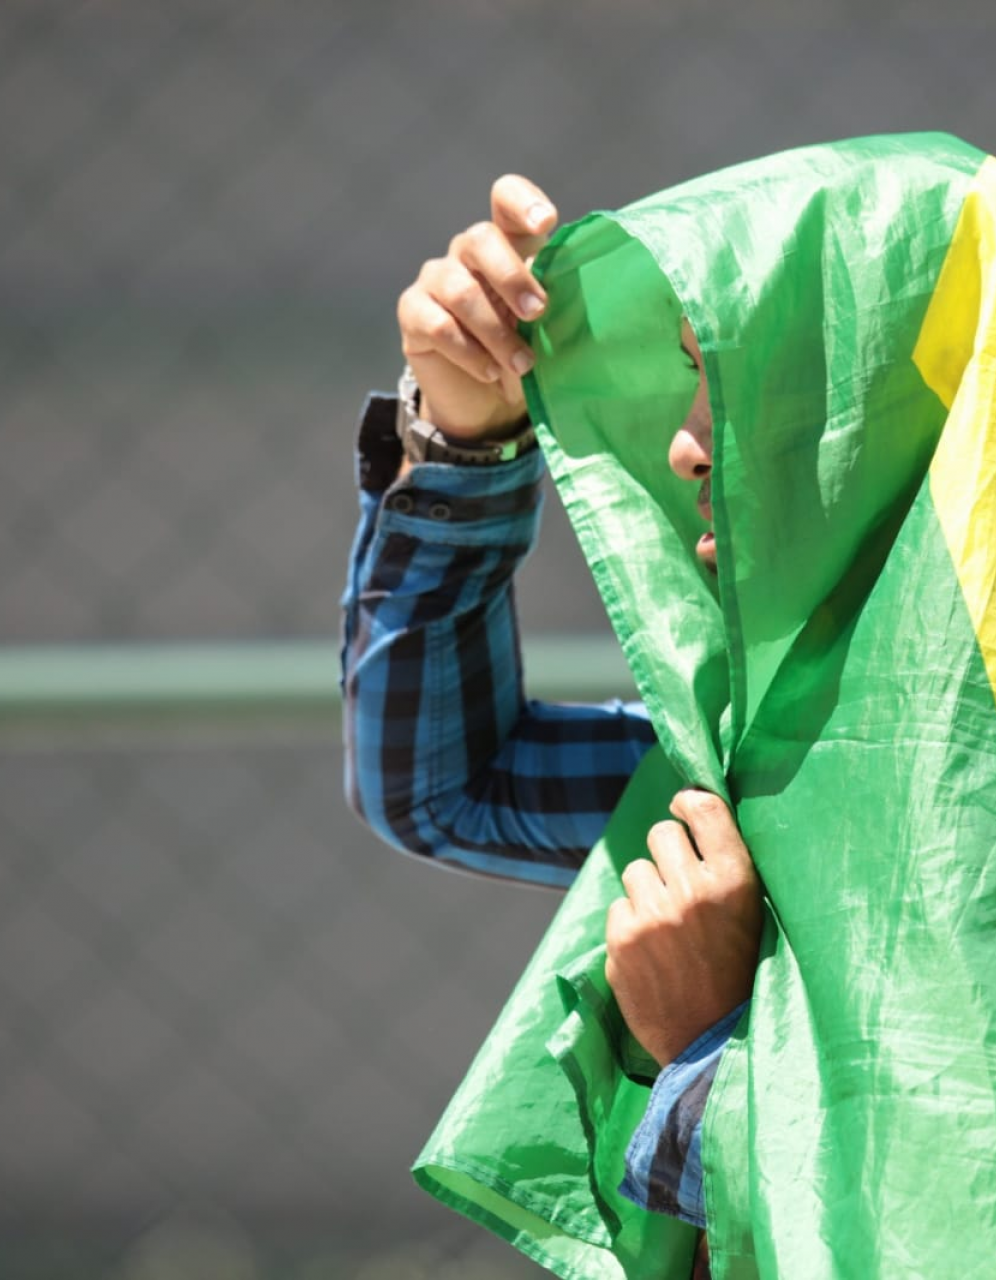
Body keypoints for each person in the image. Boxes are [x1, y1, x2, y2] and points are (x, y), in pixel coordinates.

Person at [340, 173, 760, 1237]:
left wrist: (711, 1047)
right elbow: (450, 783)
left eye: (746, 387)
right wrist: (467, 435)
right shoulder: (745, 764)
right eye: (690, 383)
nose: (685, 446)